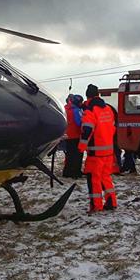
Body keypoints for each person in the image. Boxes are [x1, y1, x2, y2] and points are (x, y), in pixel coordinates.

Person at [78, 84, 118, 212]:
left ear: (87, 96)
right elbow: (113, 128)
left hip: (96, 152)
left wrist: (81, 147)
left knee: (94, 179)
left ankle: (96, 205)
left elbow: (87, 130)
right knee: (105, 177)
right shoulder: (108, 109)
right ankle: (111, 202)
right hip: (108, 150)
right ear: (98, 95)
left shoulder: (89, 110)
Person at [61, 94, 84, 178]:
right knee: (77, 155)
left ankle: (67, 172)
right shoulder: (76, 110)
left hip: (67, 135)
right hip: (76, 135)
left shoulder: (65, 109)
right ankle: (76, 172)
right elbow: (79, 123)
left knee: (69, 155)